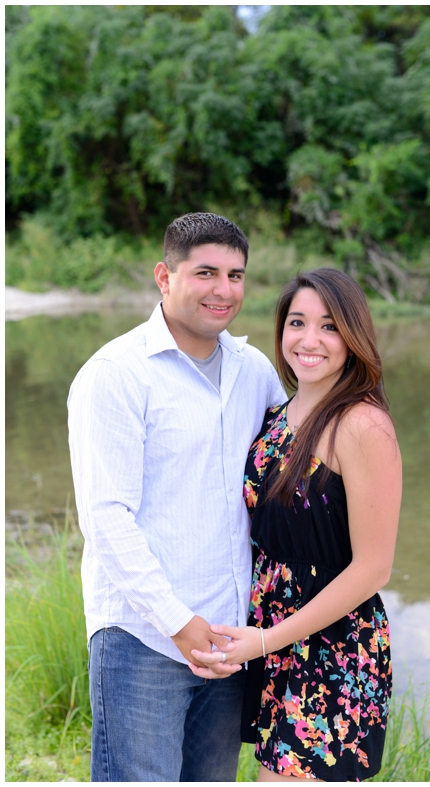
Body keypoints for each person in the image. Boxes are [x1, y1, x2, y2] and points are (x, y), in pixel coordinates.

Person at [68, 212, 286, 781]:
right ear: (164, 277)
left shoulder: (254, 369)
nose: (224, 290)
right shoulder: (115, 374)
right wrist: (178, 623)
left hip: (231, 637)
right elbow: (106, 517)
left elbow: (291, 465)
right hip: (143, 638)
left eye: (236, 275)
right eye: (206, 272)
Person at [191, 268, 401, 781]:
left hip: (333, 648)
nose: (310, 340)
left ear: (353, 338)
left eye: (329, 327)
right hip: (274, 642)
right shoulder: (278, 416)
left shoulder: (362, 424)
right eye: (297, 323)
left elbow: (374, 569)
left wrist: (267, 639)